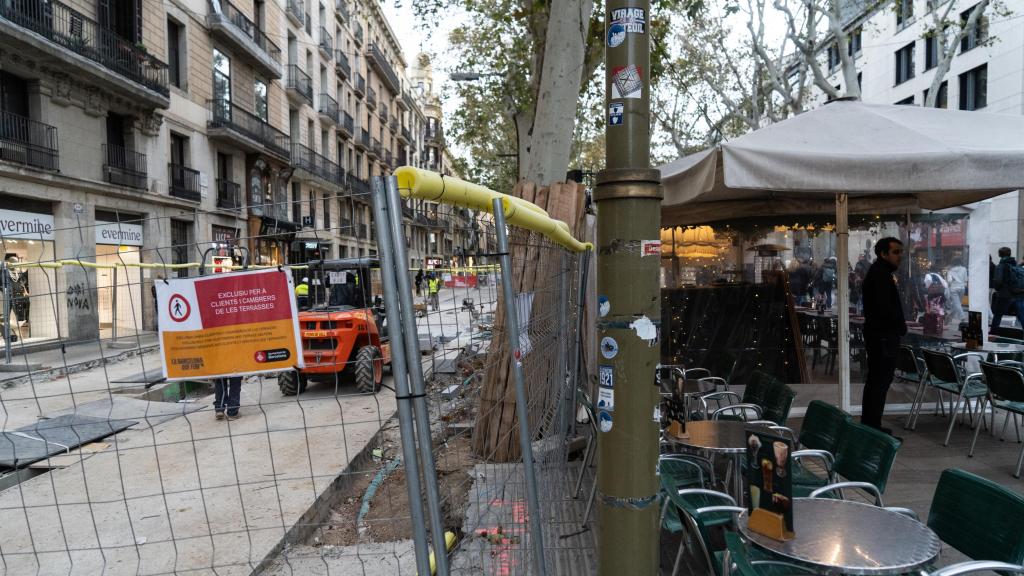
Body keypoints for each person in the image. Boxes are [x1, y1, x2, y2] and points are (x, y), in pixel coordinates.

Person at [861, 237, 907, 434]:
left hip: (881, 335)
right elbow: (884, 308)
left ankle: (871, 424)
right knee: (879, 382)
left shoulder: (880, 272)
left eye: (901, 252)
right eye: (896, 252)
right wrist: (898, 326)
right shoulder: (880, 274)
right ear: (883, 254)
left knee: (877, 382)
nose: (900, 256)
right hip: (883, 337)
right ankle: (872, 426)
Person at [991, 247, 1024, 331]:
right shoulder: (1015, 265)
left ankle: (993, 332)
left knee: (998, 314)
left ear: (999, 255)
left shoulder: (1000, 266)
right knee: (1021, 315)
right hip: (1017, 294)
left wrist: (997, 288)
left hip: (1004, 295)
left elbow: (998, 281)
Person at [946, 258, 968, 326]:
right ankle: (951, 317)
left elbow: (949, 281)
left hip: (954, 289)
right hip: (962, 288)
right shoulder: (964, 269)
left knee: (957, 304)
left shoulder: (950, 270)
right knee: (958, 304)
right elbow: (965, 279)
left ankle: (962, 317)